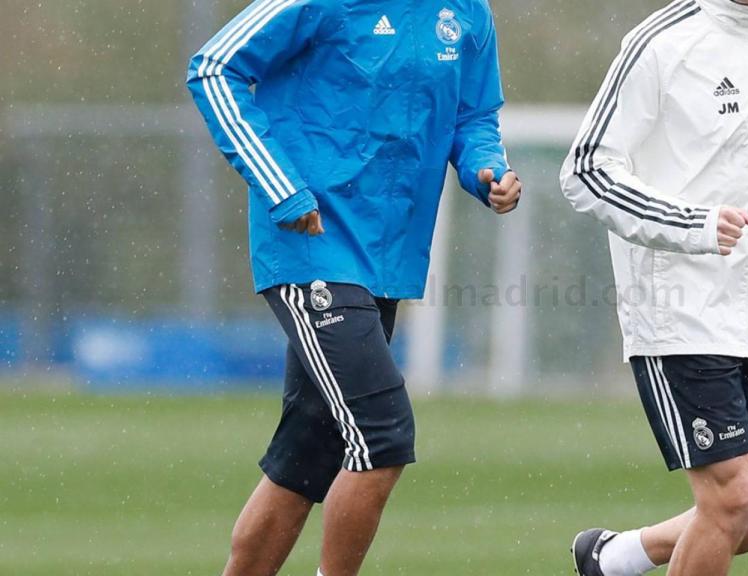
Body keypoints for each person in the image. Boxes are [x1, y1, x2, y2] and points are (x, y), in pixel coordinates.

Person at [185, 1, 521, 575]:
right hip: (311, 243)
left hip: (386, 256)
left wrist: (487, 169)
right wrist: (280, 186)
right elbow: (214, 68)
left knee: (306, 453)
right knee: (383, 433)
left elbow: (474, 116)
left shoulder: (468, 10)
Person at [559, 1, 748, 575]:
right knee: (733, 497)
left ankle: (614, 558)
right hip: (680, 312)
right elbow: (587, 171)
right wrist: (693, 224)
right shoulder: (662, 41)